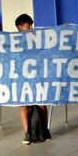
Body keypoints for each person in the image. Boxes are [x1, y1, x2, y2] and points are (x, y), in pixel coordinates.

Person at [14, 14, 51, 144]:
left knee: (41, 104)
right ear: (19, 27)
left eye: (31, 25)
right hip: (21, 79)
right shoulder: (13, 41)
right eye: (27, 26)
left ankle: (45, 131)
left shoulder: (37, 39)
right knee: (24, 105)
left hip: (37, 77)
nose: (30, 28)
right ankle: (27, 133)